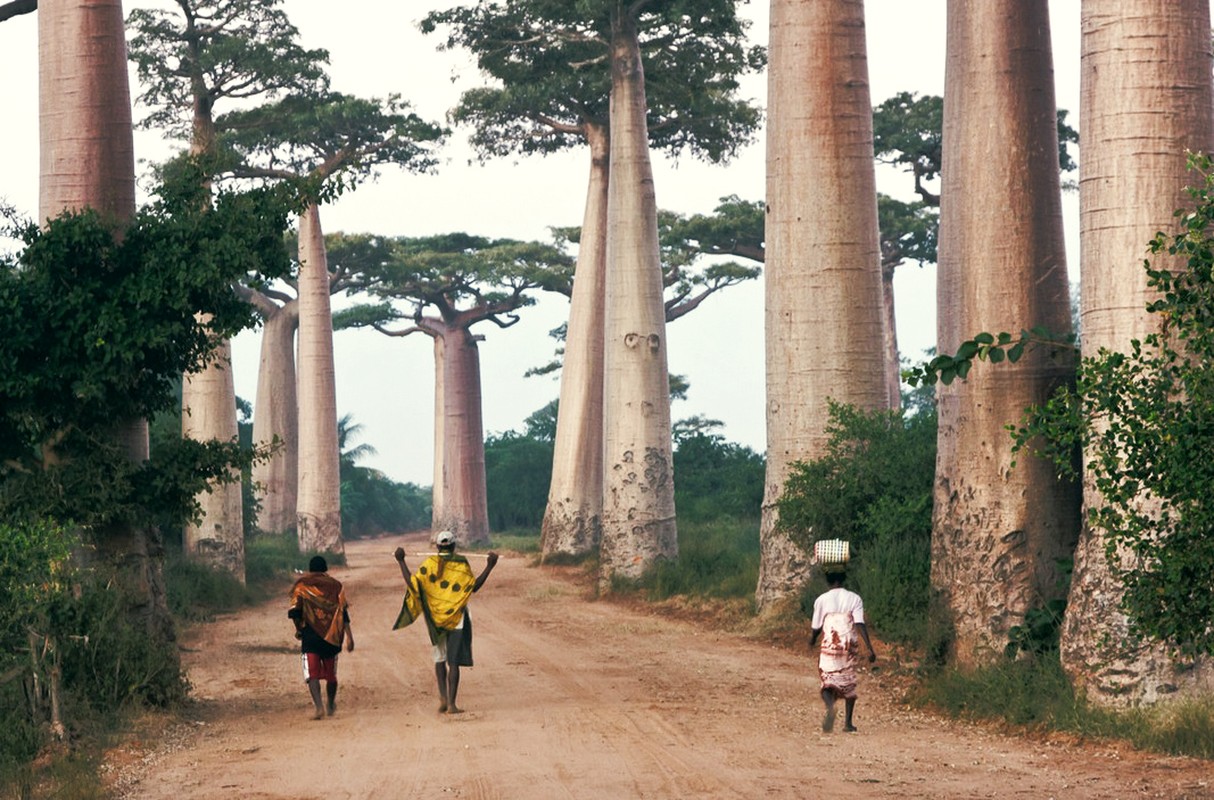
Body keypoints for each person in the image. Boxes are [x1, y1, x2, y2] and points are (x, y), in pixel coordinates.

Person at [393, 531, 498, 714]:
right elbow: (474, 587)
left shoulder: (429, 564)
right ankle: (451, 704)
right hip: (456, 618)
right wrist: (490, 566)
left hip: (435, 619)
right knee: (453, 662)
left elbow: (413, 583)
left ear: (437, 546)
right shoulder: (461, 563)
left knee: (439, 659)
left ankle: (442, 697)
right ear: (454, 546)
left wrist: (401, 561)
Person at [809, 570, 876, 733]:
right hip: (848, 645)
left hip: (830, 644)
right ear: (844, 580)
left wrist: (812, 640)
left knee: (827, 680)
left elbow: (817, 627)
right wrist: (869, 648)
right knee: (848, 681)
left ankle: (831, 708)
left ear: (827, 581)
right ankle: (848, 723)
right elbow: (860, 623)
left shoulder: (821, 600)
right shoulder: (854, 598)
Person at [288, 555, 354, 720]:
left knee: (312, 674)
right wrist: (349, 637)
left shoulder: (302, 586)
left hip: (310, 636)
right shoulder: (336, 586)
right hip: (331, 637)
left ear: (310, 569)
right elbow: (343, 613)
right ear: (325, 569)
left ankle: (319, 707)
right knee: (331, 674)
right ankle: (330, 703)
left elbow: (295, 612)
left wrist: (299, 629)